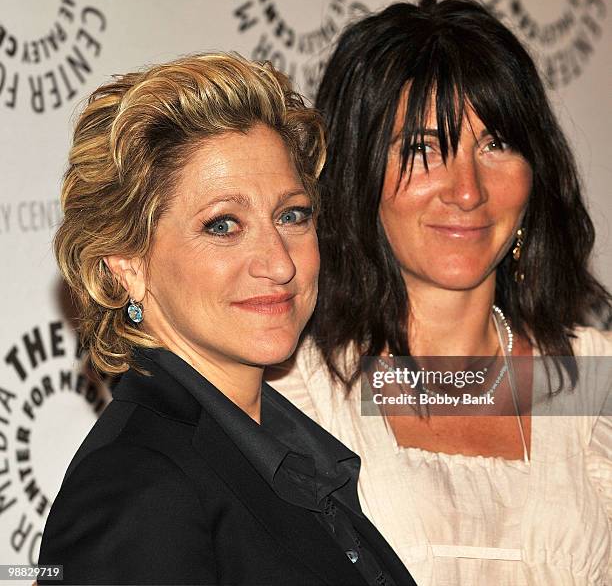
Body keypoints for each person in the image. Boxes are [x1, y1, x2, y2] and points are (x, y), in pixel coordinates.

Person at [266, 0, 612, 586]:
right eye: (423, 149)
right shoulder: (296, 393)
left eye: (495, 143)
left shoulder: (595, 379)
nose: (468, 191)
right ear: (358, 173)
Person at [37, 53, 417, 586]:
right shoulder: (136, 490)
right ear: (127, 265)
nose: (280, 263)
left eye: (292, 215)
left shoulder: (285, 456)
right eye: (223, 225)